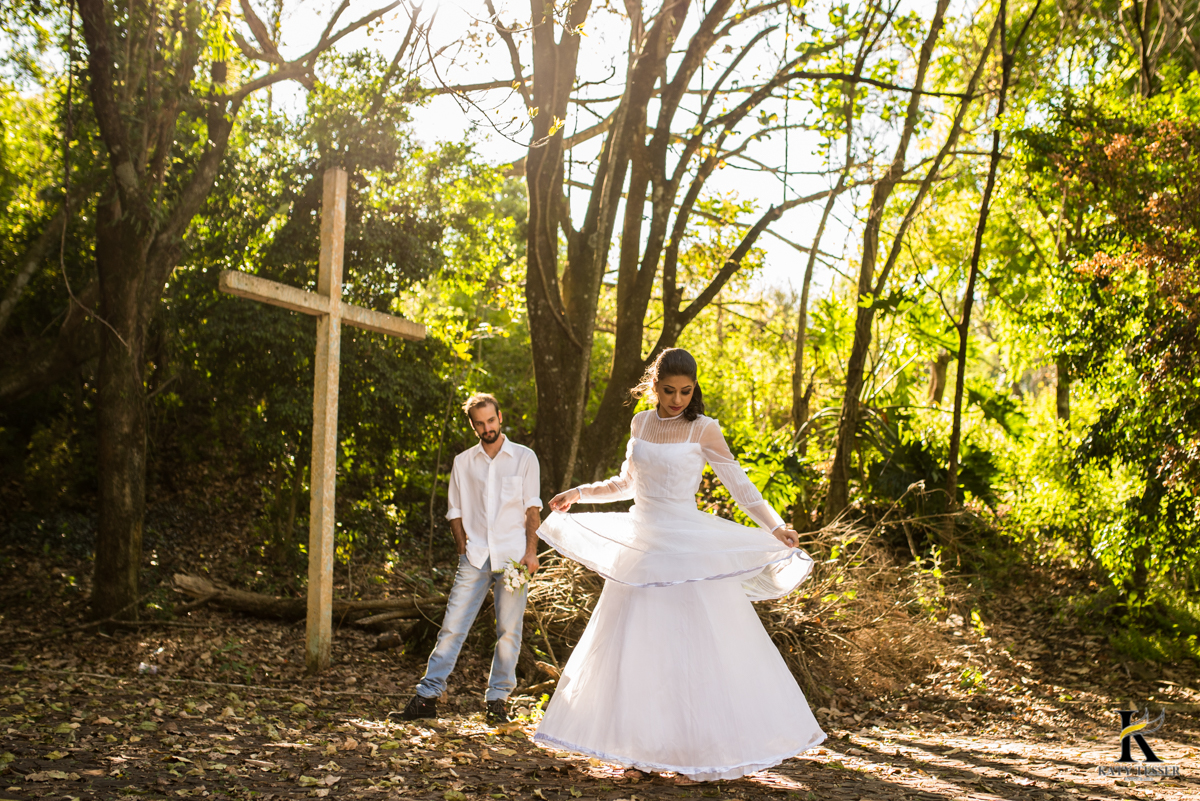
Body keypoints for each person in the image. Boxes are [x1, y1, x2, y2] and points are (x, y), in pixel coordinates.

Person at [533, 348, 825, 781]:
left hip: (687, 548)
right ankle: (640, 751)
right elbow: (625, 483)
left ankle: (697, 754)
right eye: (669, 391)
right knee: (639, 648)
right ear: (653, 385)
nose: (677, 400)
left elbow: (740, 486)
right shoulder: (640, 423)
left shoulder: (704, 429)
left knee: (695, 651)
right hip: (644, 548)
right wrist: (579, 492)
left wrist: (777, 527)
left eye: (686, 392)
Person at [392, 393, 542, 725]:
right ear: (472, 425)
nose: (487, 427)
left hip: (514, 558)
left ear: (500, 417)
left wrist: (531, 552)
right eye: (480, 423)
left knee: (509, 631)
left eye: (491, 420)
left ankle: (498, 701)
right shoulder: (463, 462)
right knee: (452, 628)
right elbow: (455, 511)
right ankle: (427, 697)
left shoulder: (524, 457)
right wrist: (462, 547)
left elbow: (533, 507)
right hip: (475, 557)